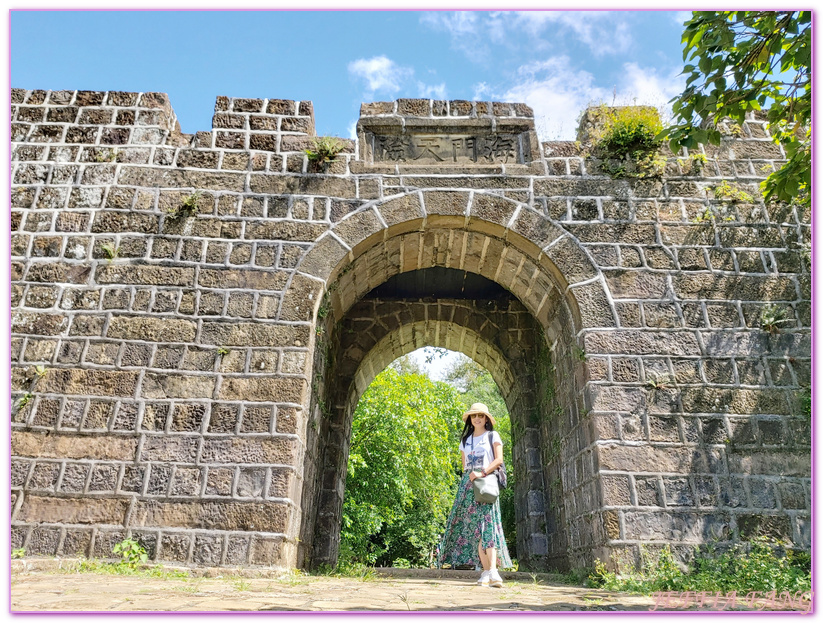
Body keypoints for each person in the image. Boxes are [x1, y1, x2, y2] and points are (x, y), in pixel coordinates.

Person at [436, 402, 511, 588]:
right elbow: (464, 466)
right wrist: (472, 475)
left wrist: (482, 472)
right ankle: (486, 572)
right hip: (468, 485)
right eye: (473, 416)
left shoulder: (492, 435)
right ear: (470, 419)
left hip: (486, 483)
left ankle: (493, 570)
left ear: (486, 418)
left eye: (481, 415)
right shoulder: (465, 441)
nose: (477, 418)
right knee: (476, 529)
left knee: (488, 525)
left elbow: (499, 459)